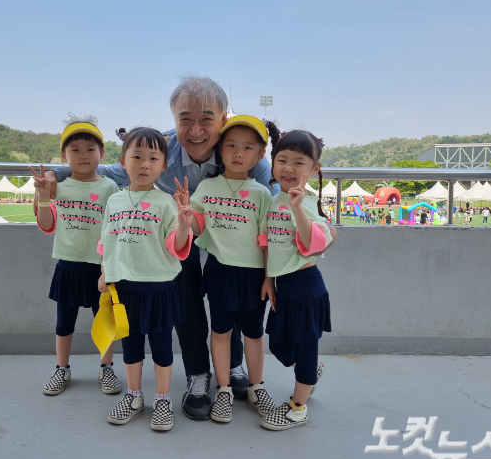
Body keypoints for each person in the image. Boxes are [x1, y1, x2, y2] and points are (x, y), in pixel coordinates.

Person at [42, 75, 337, 420]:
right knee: (188, 298)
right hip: (174, 241)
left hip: (232, 247)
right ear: (174, 121)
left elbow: (278, 202)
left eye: (206, 119)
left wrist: (320, 227)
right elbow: (104, 169)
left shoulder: (248, 156)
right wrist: (54, 176)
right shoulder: (159, 150)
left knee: (242, 301)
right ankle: (200, 375)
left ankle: (238, 370)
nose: (196, 130)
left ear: (223, 119)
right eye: (186, 119)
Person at [181, 116, 278, 423]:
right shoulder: (207, 187)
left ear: (260, 155)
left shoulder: (261, 193)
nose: (238, 153)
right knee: (220, 332)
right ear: (220, 149)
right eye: (231, 145)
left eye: (247, 147)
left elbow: (267, 241)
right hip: (220, 272)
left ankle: (256, 386)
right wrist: (187, 214)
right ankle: (223, 390)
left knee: (252, 334)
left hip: (253, 277)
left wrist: (268, 278)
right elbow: (197, 228)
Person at [98, 127, 193, 431]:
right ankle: (135, 395)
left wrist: (182, 224)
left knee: (163, 347)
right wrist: (105, 273)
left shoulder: (166, 203)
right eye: (136, 156)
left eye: (153, 157)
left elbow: (177, 248)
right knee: (132, 347)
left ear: (164, 165)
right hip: (125, 287)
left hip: (161, 287)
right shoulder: (114, 201)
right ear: (122, 161)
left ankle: (163, 399)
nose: (144, 164)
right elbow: (107, 242)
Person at [31, 116, 122, 396]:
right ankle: (62, 369)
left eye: (90, 149)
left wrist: (110, 267)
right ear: (63, 155)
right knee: (64, 323)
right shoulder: (57, 186)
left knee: (105, 320)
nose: (83, 155)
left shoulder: (109, 188)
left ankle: (106, 368)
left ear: (102, 154)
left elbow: (115, 229)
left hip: (100, 267)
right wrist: (43, 196)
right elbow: (47, 224)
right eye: (75, 150)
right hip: (68, 264)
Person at [261, 130, 333, 431]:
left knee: (305, 349)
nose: (288, 168)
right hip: (283, 287)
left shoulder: (305, 202)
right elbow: (268, 242)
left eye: (298, 162)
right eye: (282, 160)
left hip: (305, 287)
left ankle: (297, 407)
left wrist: (297, 208)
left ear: (313, 169)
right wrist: (268, 279)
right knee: (278, 344)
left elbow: (313, 242)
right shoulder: (274, 199)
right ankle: (310, 373)